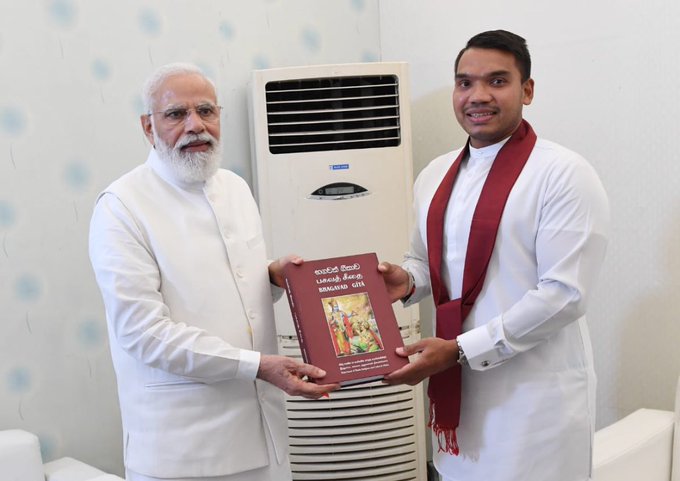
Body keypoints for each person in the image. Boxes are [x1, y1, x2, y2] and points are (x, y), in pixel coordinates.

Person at [88, 62, 339, 481]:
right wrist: (256, 365)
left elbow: (231, 284)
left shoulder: (236, 189)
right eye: (176, 114)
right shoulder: (121, 206)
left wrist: (273, 277)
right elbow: (142, 332)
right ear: (148, 128)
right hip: (183, 449)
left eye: (206, 111)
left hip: (265, 432)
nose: (195, 126)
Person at [378, 30, 609, 481]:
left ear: (527, 90)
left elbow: (564, 295)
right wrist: (406, 282)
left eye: (497, 81)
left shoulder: (563, 174)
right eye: (465, 83)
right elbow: (431, 262)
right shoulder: (434, 173)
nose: (477, 96)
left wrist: (461, 350)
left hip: (535, 398)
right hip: (459, 395)